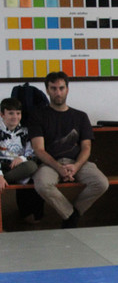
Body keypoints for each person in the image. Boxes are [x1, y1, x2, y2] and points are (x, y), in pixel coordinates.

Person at [29, 71, 109, 229]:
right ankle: (71, 216)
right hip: (50, 163)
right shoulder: (38, 115)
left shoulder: (80, 116)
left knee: (101, 183)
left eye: (61, 88)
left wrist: (76, 166)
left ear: (67, 89)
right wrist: (59, 167)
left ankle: (73, 214)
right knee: (42, 184)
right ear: (47, 90)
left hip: (77, 162)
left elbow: (86, 147)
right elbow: (38, 149)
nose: (57, 92)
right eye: (53, 88)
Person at [0, 97, 45, 223]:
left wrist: (22, 158)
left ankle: (33, 215)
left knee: (32, 167)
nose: (15, 117)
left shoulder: (25, 131)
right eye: (10, 113)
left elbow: (32, 153)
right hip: (1, 166)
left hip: (19, 169)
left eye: (18, 113)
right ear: (2, 114)